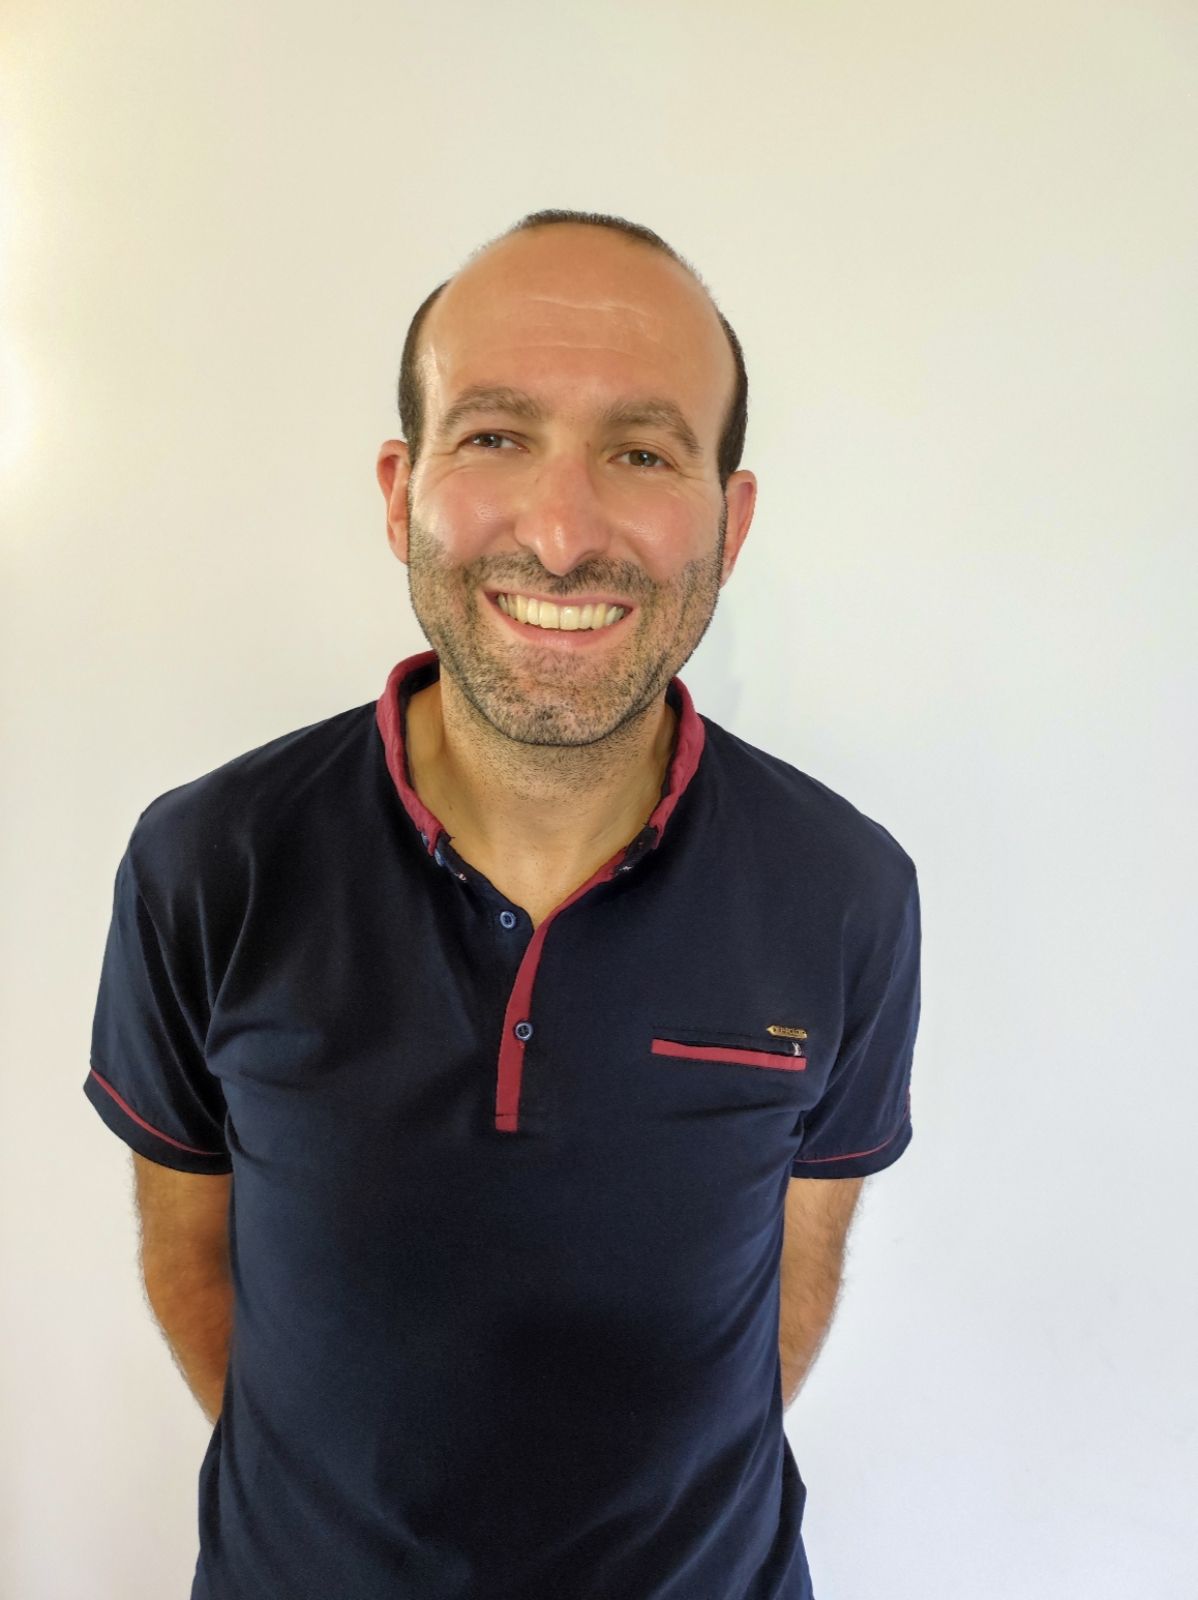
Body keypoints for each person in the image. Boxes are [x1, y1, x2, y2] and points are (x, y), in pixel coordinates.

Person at [85, 207, 922, 1600]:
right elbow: (190, 1256)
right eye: (492, 436)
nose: (562, 532)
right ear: (399, 491)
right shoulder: (210, 862)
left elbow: (792, 1275)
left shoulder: (846, 891)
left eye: (642, 452)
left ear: (730, 521)